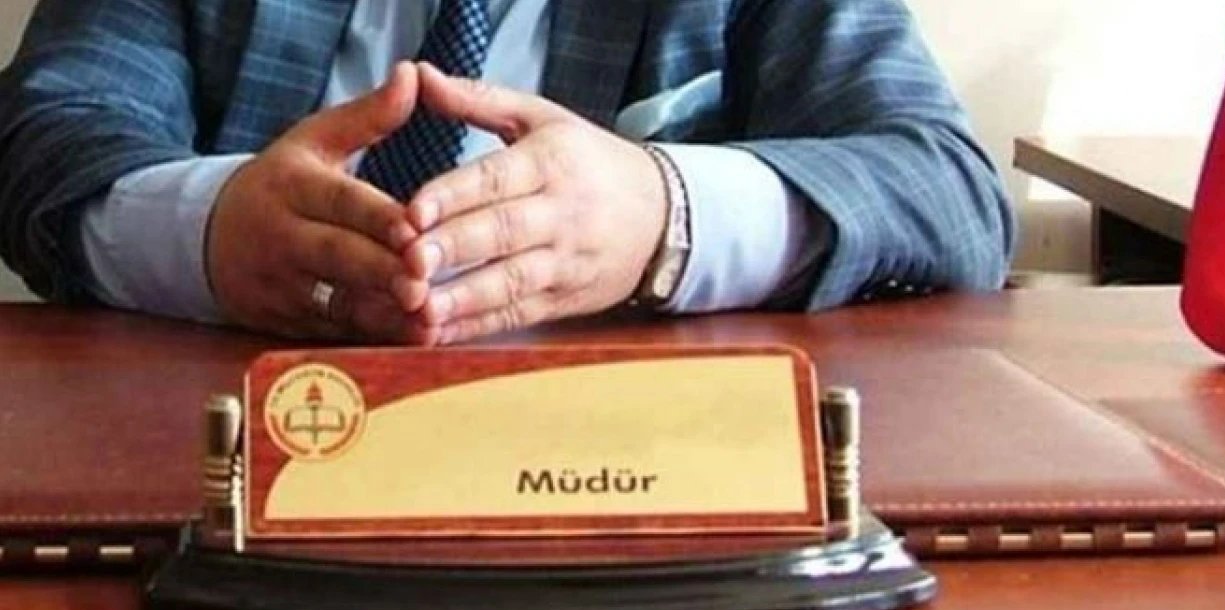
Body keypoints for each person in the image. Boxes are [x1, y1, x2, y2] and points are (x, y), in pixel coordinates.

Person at [0, 0, 1014, 345]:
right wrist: (207, 233)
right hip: (231, 490)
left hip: (636, 506)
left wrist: (661, 215)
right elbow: (42, 135)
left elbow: (945, 190)